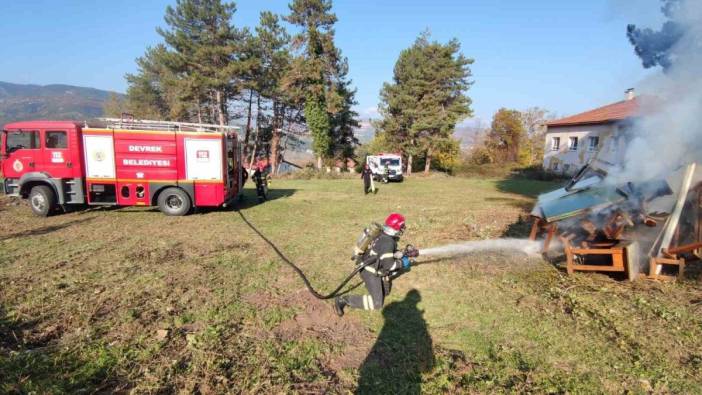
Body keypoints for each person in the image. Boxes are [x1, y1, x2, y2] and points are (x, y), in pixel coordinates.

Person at [334, 213, 417, 316]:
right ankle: (343, 300)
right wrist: (402, 263)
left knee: (385, 292)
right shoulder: (388, 242)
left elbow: (384, 253)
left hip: (367, 264)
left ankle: (372, 285)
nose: (402, 229)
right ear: (396, 228)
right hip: (369, 271)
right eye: (401, 227)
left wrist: (403, 253)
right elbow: (389, 266)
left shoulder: (382, 233)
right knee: (377, 303)